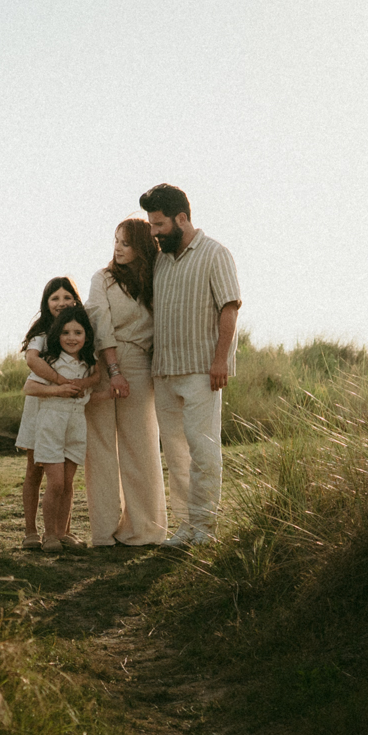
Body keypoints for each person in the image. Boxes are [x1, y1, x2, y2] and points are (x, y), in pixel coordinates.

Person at [139, 183, 241, 547]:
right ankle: (186, 527)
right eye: (151, 225)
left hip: (202, 371)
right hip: (165, 371)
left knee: (203, 450)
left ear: (182, 218)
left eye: (160, 224)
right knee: (177, 455)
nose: (154, 232)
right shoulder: (162, 261)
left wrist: (220, 361)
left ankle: (206, 529)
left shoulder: (216, 253)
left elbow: (229, 309)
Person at [84, 219, 168, 547]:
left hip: (140, 363)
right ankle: (104, 532)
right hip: (104, 361)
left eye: (125, 243)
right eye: (115, 241)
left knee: (141, 445)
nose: (117, 248)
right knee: (101, 447)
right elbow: (99, 321)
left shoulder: (155, 279)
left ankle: (144, 529)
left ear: (141, 247)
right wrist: (114, 370)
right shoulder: (101, 278)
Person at [21, 306, 100, 553]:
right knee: (55, 482)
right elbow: (30, 388)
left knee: (67, 483)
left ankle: (63, 533)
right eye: (66, 332)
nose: (72, 338)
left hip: (76, 425)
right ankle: (49, 534)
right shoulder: (51, 362)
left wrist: (114, 393)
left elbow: (91, 390)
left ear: (87, 335)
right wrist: (58, 389)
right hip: (51, 424)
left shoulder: (88, 365)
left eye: (78, 332)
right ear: (57, 336)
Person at [14, 276, 83, 548]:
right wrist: (60, 382)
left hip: (66, 410)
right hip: (40, 406)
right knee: (35, 470)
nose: (62, 303)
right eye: (55, 298)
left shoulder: (77, 332)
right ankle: (31, 530)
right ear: (46, 303)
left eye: (67, 297)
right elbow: (32, 360)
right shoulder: (41, 335)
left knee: (65, 474)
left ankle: (60, 530)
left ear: (76, 300)